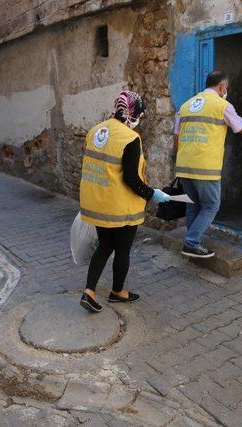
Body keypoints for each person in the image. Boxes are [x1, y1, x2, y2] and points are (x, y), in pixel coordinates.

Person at [79, 90, 170, 313]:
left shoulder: (95, 131)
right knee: (122, 250)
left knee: (104, 246)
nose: (139, 120)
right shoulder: (130, 138)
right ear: (134, 113)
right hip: (120, 208)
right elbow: (131, 178)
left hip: (97, 204)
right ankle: (117, 292)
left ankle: (89, 291)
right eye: (139, 115)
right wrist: (152, 194)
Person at [174, 70, 242, 258]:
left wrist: (180, 160)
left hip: (184, 165)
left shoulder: (185, 106)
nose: (225, 91)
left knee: (193, 205)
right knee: (212, 205)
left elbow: (176, 137)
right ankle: (191, 243)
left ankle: (191, 241)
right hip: (205, 168)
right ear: (221, 87)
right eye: (225, 88)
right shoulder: (222, 105)